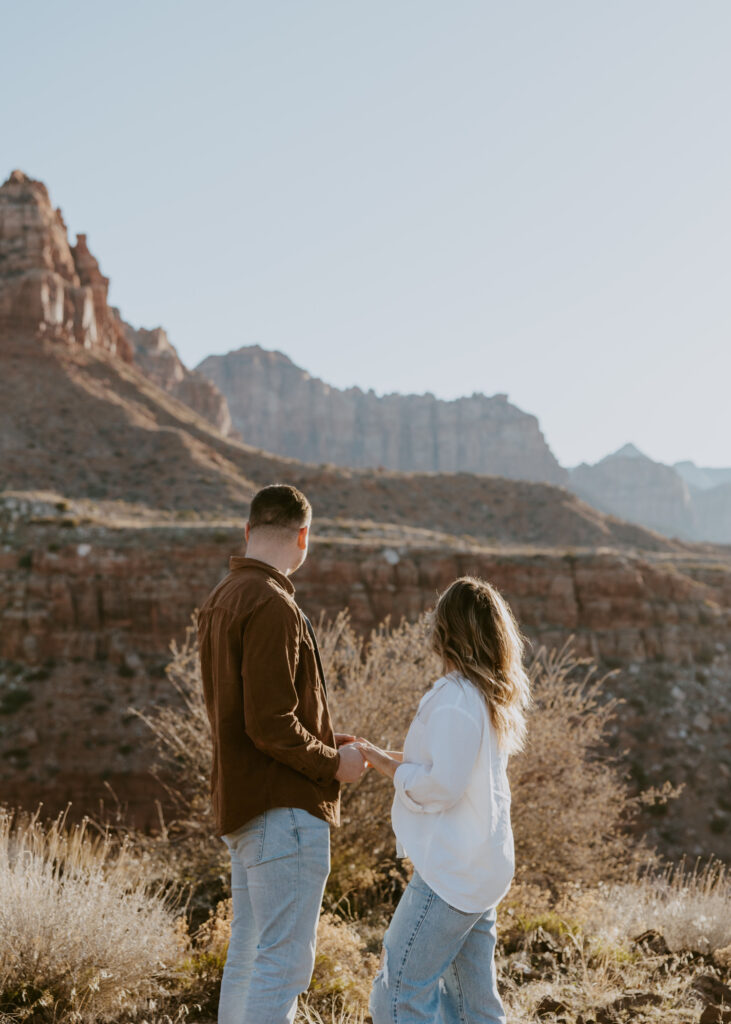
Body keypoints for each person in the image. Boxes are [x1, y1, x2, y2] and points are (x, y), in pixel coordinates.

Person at [198, 483, 366, 1024]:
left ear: (248, 532)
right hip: (283, 813)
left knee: (249, 958)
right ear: (303, 536)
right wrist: (331, 764)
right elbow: (269, 723)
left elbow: (255, 715)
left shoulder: (223, 597)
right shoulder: (273, 603)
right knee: (283, 964)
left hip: (246, 808)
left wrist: (323, 739)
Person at [355, 576, 531, 1024]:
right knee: (474, 1008)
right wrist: (378, 756)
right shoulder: (483, 696)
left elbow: (441, 786)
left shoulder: (455, 698)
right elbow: (445, 765)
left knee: (398, 996)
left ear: (445, 630)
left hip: (451, 875)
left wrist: (390, 768)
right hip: (480, 870)